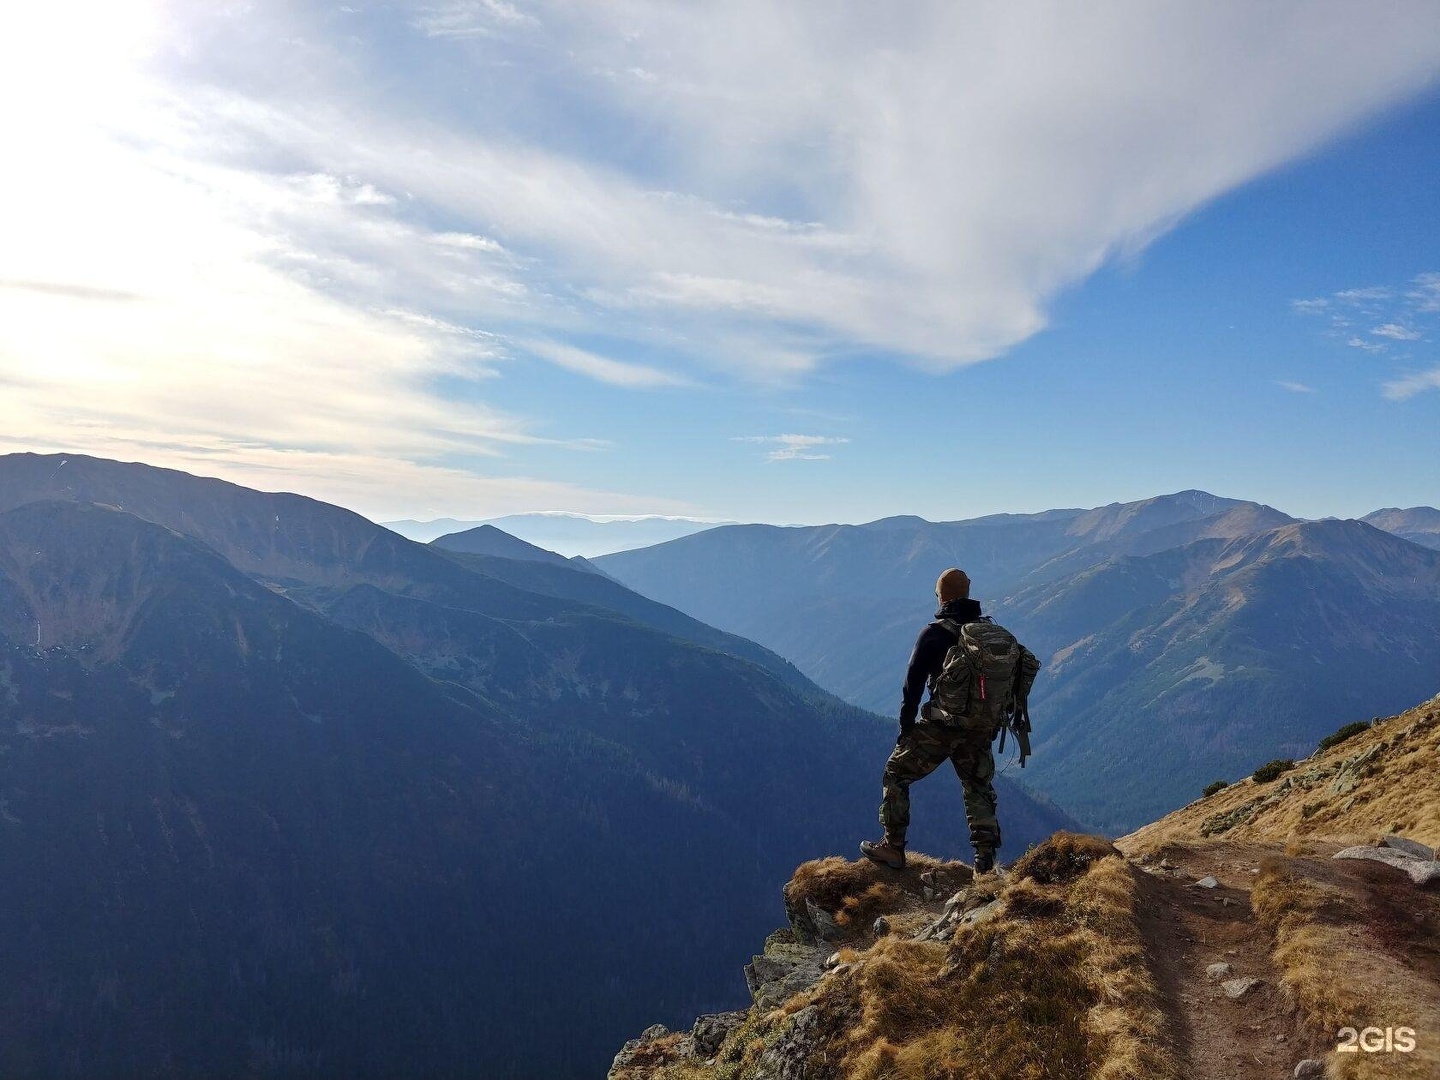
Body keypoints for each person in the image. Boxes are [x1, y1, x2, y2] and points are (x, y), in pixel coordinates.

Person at [860, 568, 1037, 874]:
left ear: (941, 595)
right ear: (967, 594)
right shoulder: (989, 634)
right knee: (978, 787)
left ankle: (893, 846)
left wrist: (906, 727)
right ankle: (985, 860)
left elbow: (912, 684)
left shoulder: (934, 633)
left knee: (896, 773)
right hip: (980, 729)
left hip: (940, 727)